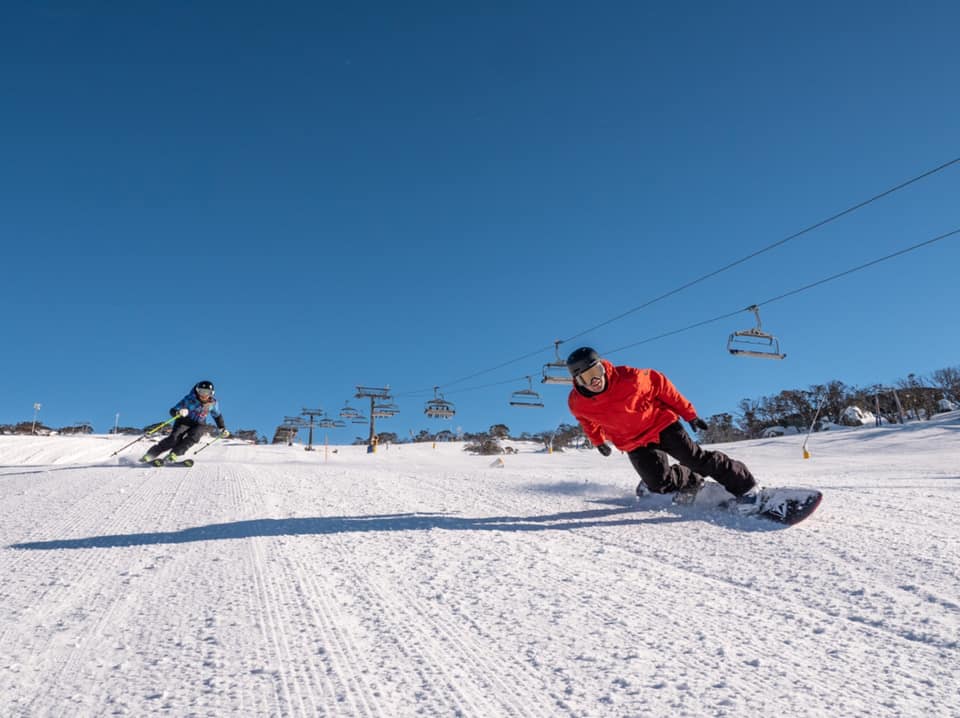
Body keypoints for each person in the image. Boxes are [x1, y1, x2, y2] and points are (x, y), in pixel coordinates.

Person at [565, 347, 760, 509]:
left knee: (696, 459)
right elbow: (588, 422)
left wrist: (689, 413)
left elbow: (663, 387)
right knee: (658, 484)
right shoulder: (577, 403)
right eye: (586, 378)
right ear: (577, 381)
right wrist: (598, 442)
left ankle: (745, 486)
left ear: (602, 366)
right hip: (633, 443)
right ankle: (692, 481)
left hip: (661, 425)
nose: (594, 381)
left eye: (595, 372)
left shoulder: (631, 378)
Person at [141, 380, 230, 463]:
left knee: (194, 437)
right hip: (184, 421)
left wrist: (222, 428)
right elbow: (173, 410)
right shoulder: (189, 399)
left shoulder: (213, 403)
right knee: (174, 439)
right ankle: (150, 455)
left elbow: (217, 416)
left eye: (207, 392)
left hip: (199, 424)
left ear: (211, 393)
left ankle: (174, 454)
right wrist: (178, 412)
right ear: (197, 391)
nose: (203, 395)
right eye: (201, 391)